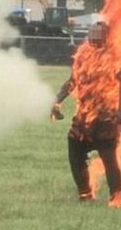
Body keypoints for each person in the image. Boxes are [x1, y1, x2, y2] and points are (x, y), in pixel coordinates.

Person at [51, 22, 121, 207]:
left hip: (106, 116)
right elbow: (72, 81)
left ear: (106, 37)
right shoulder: (83, 56)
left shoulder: (115, 57)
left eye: (98, 34)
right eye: (91, 33)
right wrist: (57, 100)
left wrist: (119, 113)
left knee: (109, 158)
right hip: (84, 116)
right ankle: (85, 193)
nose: (93, 37)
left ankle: (117, 196)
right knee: (75, 149)